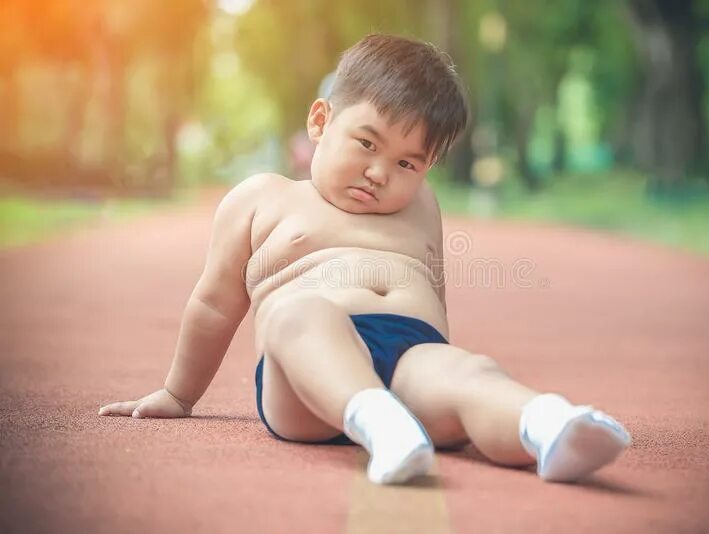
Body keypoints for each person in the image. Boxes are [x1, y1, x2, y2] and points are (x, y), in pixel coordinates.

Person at [99, 34, 631, 485]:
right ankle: (376, 418)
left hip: (408, 357)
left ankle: (547, 424)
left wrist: (437, 364)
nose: (380, 173)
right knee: (297, 313)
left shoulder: (421, 205)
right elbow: (214, 306)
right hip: (304, 380)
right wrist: (178, 392)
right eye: (366, 144)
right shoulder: (264, 198)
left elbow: (434, 295)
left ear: (428, 167)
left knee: (471, 371)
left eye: (406, 162)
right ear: (319, 121)